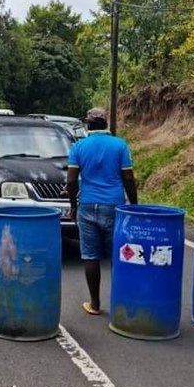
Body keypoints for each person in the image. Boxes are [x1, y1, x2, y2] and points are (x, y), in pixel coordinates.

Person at [65, 107, 138, 316]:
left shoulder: (79, 147)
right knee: (118, 255)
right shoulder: (119, 145)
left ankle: (95, 304)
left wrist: (73, 206)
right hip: (114, 206)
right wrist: (134, 205)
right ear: (106, 123)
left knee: (90, 256)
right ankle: (122, 304)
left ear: (88, 124)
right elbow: (128, 179)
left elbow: (71, 181)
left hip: (87, 205)